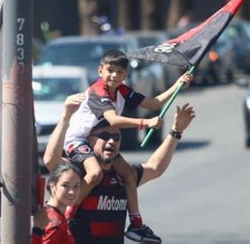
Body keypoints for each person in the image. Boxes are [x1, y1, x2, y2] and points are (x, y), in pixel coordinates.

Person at [60, 49, 193, 242]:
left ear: (126, 75)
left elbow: (154, 103)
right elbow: (113, 120)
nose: (114, 75)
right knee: (95, 173)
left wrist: (177, 84)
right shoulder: (98, 92)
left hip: (94, 143)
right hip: (78, 141)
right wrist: (145, 123)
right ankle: (69, 216)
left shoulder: (122, 90)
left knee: (129, 174)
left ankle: (136, 224)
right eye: (110, 70)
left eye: (120, 72)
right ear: (100, 71)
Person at [44, 94, 196, 243]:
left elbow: (155, 168)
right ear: (89, 140)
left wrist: (176, 132)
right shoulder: (78, 171)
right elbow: (50, 159)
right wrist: (66, 116)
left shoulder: (123, 175)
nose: (111, 141)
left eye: (116, 138)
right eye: (104, 136)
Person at [31, 161, 82, 244]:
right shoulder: (54, 222)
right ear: (52, 186)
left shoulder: (58, 216)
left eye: (76, 186)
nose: (72, 192)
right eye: (65, 186)